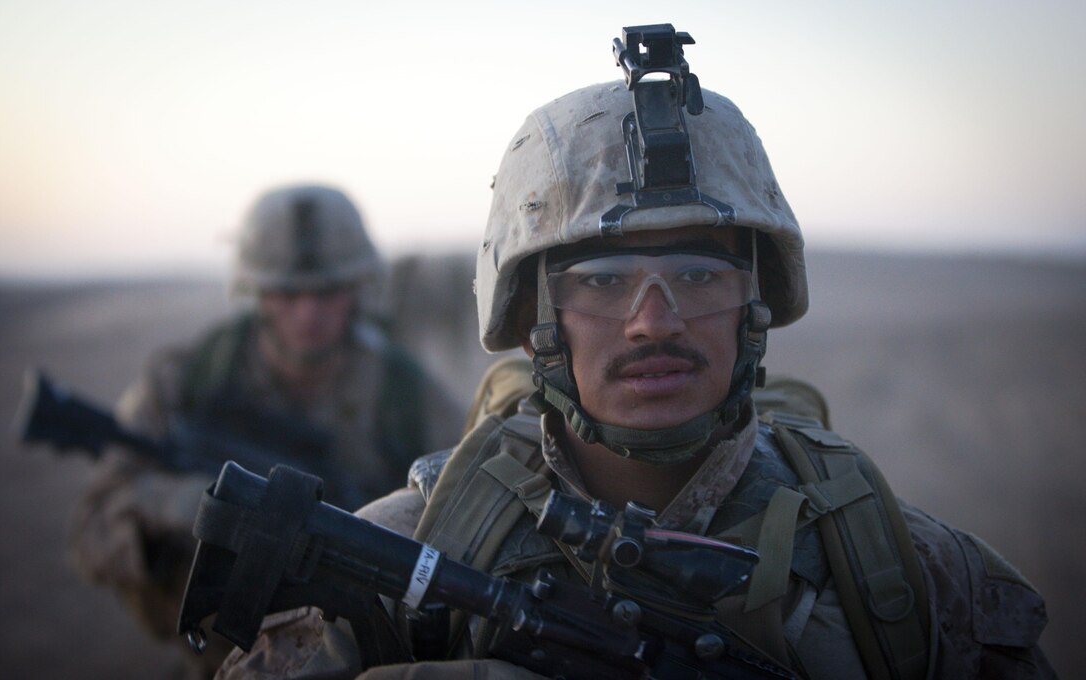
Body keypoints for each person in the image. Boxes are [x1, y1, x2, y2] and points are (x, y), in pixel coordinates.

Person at [215, 25, 1054, 680]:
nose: (655, 323)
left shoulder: (908, 576)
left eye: (697, 274)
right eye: (604, 281)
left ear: (754, 308)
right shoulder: (396, 562)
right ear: (537, 318)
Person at [67, 184, 466, 678]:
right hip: (213, 653)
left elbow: (470, 510)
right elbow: (91, 528)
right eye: (287, 293)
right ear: (254, 289)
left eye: (327, 290)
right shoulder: (190, 378)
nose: (308, 314)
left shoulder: (407, 395)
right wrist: (178, 505)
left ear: (359, 286)